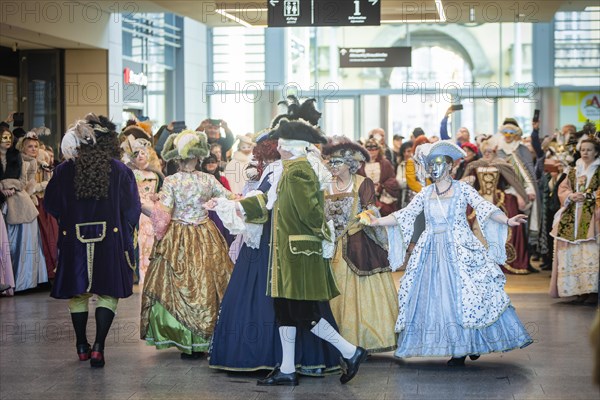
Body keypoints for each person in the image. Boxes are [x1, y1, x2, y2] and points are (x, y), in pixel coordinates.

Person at [217, 119, 367, 386]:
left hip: (297, 255)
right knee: (284, 311)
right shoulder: (289, 169)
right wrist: (234, 207)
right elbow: (269, 203)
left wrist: (321, 234)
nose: (279, 147)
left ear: (292, 147)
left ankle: (350, 351)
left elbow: (310, 213)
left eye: (283, 143)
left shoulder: (299, 171)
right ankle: (287, 369)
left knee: (302, 313)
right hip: (284, 256)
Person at [364, 140, 533, 366]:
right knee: (434, 296)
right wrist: (377, 221)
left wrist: (507, 219)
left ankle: (467, 344)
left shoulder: (462, 188)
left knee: (467, 295)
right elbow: (404, 214)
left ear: (450, 166)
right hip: (431, 248)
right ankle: (460, 344)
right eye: (430, 164)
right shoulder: (425, 193)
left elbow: (485, 207)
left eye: (438, 163)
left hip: (459, 247)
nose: (434, 168)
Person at [44, 114, 141, 368]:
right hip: (111, 240)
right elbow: (132, 209)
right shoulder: (120, 170)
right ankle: (99, 346)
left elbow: (52, 204)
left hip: (73, 241)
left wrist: (67, 220)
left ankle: (80, 344)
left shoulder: (64, 170)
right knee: (108, 293)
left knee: (78, 294)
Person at [140, 130, 236, 359]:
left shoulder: (172, 181)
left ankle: (184, 336)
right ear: (198, 157)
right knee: (207, 282)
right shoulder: (208, 179)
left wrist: (146, 208)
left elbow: (163, 216)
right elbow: (229, 198)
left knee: (177, 284)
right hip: (205, 234)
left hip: (178, 237)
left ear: (177, 159)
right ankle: (208, 335)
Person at [322, 136, 398, 353]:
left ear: (350, 164)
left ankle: (364, 340)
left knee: (361, 294)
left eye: (338, 162)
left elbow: (371, 209)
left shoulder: (362, 182)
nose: (333, 166)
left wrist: (367, 216)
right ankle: (337, 343)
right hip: (330, 246)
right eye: (331, 162)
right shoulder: (325, 185)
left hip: (358, 244)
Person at [463, 139, 531, 274]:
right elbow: (468, 182)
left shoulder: (502, 164)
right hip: (480, 200)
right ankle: (480, 260)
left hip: (498, 199)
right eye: (485, 151)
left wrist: (519, 195)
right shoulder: (475, 165)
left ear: (495, 151)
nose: (487, 154)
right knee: (477, 229)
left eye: (490, 151)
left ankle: (496, 259)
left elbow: (512, 182)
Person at [549, 138, 599, 303]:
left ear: (596, 152)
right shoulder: (573, 170)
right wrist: (570, 196)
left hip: (592, 216)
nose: (585, 153)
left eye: (589, 150)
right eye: (583, 149)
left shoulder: (598, 170)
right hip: (572, 215)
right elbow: (563, 189)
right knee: (574, 252)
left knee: (590, 251)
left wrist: (588, 196)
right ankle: (578, 291)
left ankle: (592, 291)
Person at [0, 127, 48, 292]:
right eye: (30, 146)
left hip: (23, 203)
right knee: (12, 243)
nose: (34, 149)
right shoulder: (16, 158)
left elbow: (25, 183)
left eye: (36, 146)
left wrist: (31, 189)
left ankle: (23, 281)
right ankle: (14, 281)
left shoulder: (33, 162)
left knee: (26, 243)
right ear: (22, 147)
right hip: (14, 202)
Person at [121, 136, 164, 284]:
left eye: (143, 153)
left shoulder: (156, 175)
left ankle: (153, 272)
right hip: (136, 209)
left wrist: (157, 196)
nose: (140, 156)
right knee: (138, 239)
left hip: (152, 210)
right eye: (137, 154)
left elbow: (162, 191)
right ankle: (137, 272)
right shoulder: (130, 174)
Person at [359, 138, 400, 216]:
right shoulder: (360, 165)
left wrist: (382, 186)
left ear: (379, 149)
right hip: (365, 200)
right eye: (368, 148)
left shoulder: (385, 163)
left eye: (374, 148)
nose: (371, 150)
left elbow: (392, 180)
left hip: (383, 198)